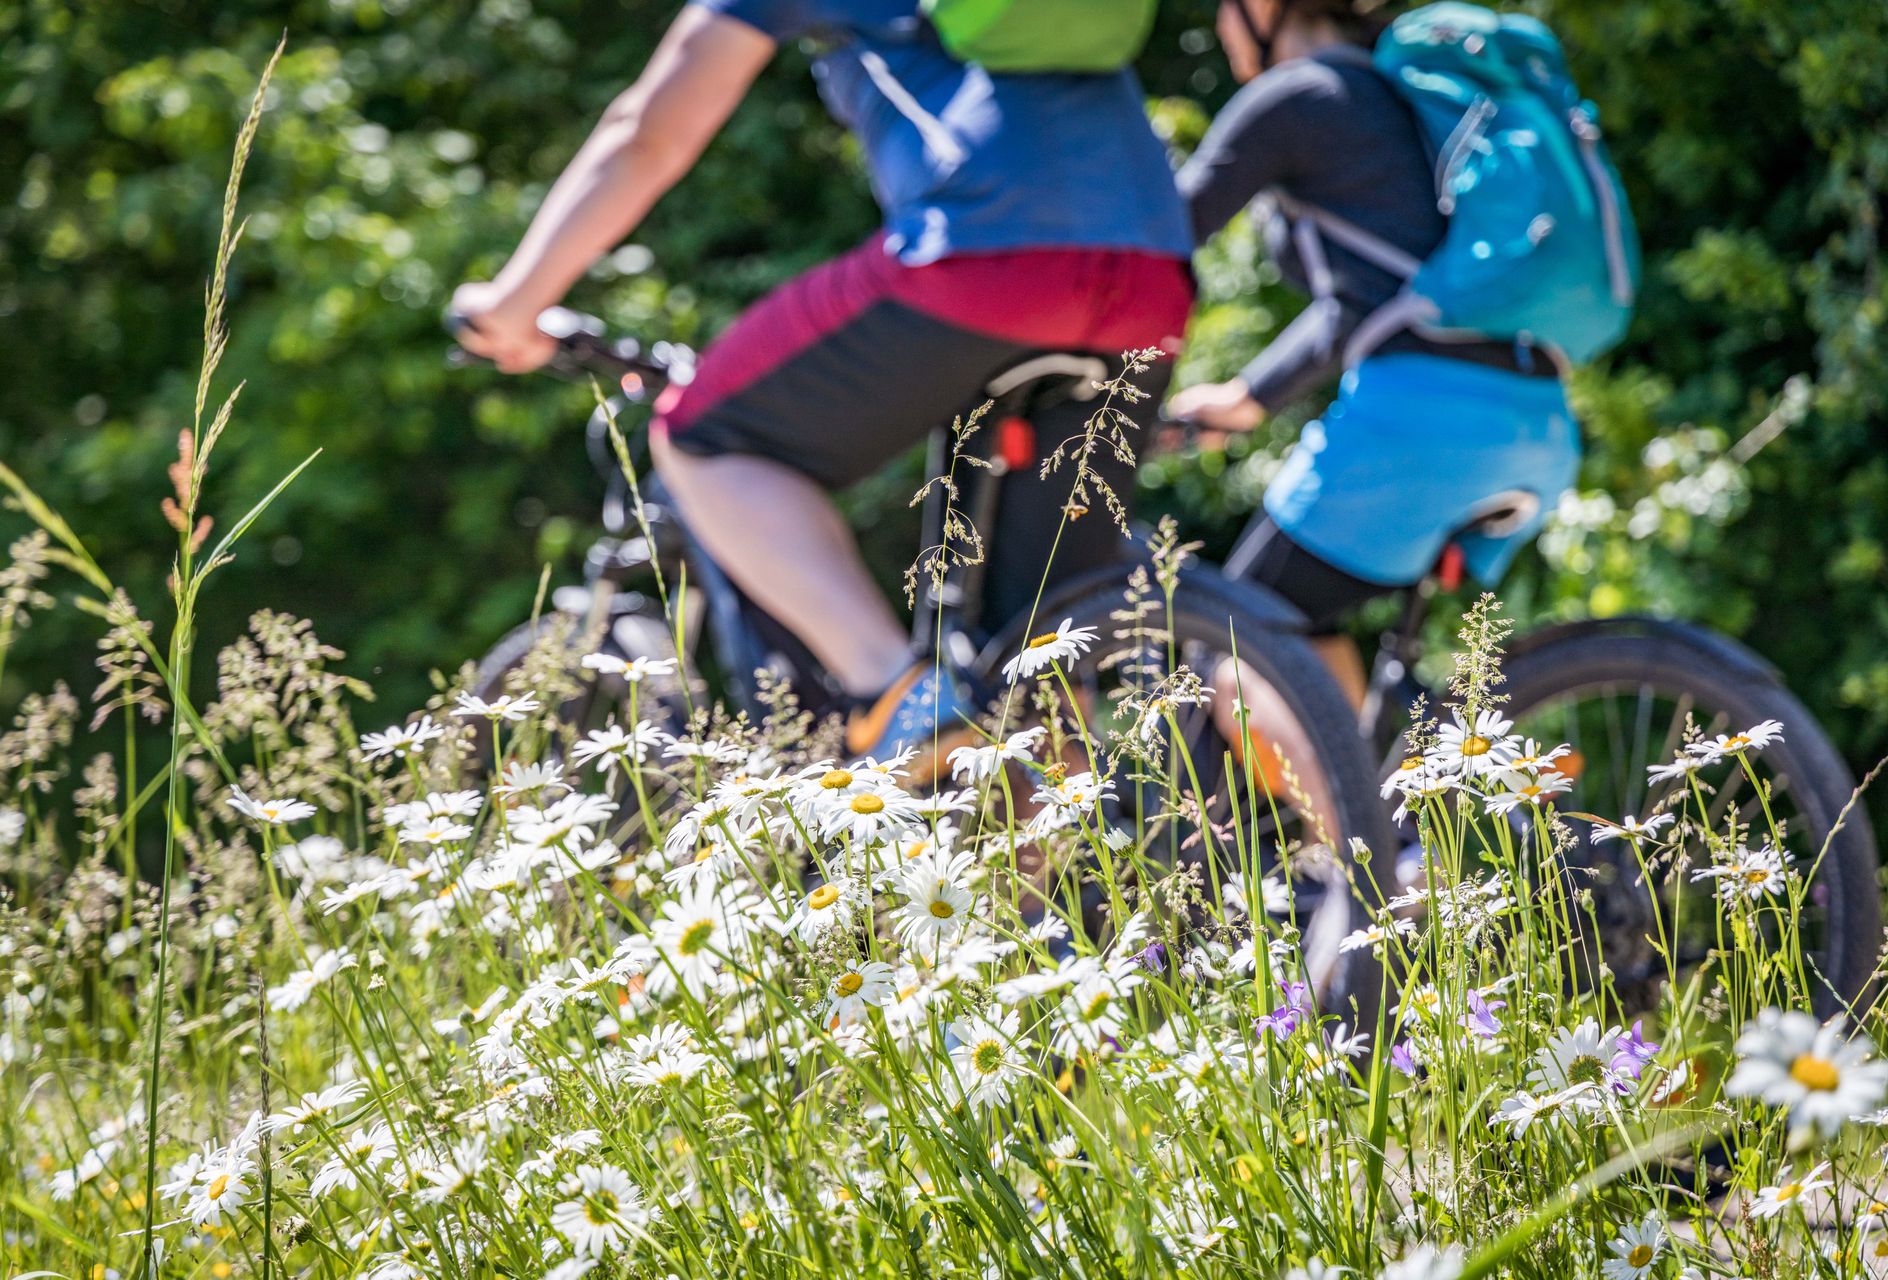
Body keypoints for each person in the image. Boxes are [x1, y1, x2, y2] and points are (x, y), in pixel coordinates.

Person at [451, 2, 1194, 763]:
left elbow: (648, 134)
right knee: (1039, 664)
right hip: (1153, 275)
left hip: (982, 256)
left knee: (705, 434)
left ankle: (899, 693)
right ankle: (1060, 820)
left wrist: (515, 304)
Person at [1167, 0, 1582, 704]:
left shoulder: (1299, 94)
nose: (1218, 24)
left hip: (1423, 427)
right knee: (1303, 634)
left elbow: (1160, 238)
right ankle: (1359, 774)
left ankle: (1335, 782)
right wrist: (1248, 399)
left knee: (1235, 648)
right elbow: (1370, 299)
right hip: (1537, 419)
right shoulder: (1409, 102)